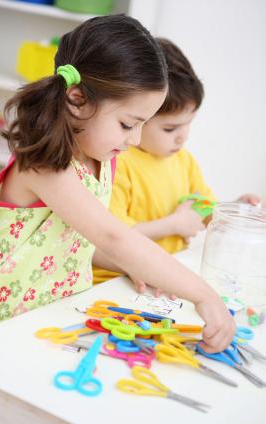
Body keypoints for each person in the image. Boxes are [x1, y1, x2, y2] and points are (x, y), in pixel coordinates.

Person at [0, 16, 235, 352]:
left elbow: (83, 244)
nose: (135, 139)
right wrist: (203, 295)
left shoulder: (102, 157)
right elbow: (113, 236)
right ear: (77, 99)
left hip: (55, 318)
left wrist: (136, 267)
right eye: (128, 123)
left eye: (143, 124)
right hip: (6, 328)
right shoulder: (45, 164)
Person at [93, 37, 262, 294]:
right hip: (118, 281)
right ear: (139, 118)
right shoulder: (117, 163)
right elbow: (114, 236)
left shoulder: (183, 160)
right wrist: (174, 224)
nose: (183, 136)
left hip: (166, 277)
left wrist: (236, 209)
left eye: (188, 124)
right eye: (170, 128)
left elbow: (204, 211)